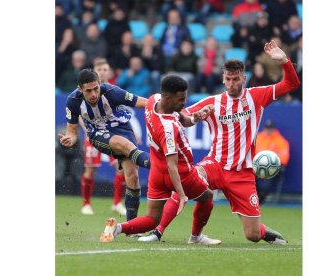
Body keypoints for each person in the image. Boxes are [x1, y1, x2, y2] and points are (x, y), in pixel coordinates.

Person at [138, 40, 300, 244]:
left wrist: (284, 60)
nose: (231, 84)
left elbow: (292, 84)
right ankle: (159, 232)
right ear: (223, 79)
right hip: (214, 165)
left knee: (252, 235)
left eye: (235, 79)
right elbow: (182, 117)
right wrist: (195, 117)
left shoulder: (257, 97)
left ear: (244, 78)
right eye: (228, 79)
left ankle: (263, 232)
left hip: (242, 174)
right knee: (188, 181)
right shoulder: (213, 102)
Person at [99, 75, 221, 245]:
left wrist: (195, 118)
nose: (184, 103)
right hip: (182, 173)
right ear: (168, 98)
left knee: (152, 218)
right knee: (207, 197)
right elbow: (173, 165)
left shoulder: (153, 100)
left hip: (156, 172)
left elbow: (179, 116)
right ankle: (196, 237)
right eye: (181, 99)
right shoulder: (167, 128)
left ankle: (117, 228)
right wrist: (181, 194)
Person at [59, 69, 150, 221]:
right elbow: (72, 132)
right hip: (97, 133)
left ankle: (131, 225)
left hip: (123, 128)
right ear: (80, 89)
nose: (94, 94)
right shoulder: (73, 101)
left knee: (133, 176)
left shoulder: (112, 92)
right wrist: (70, 139)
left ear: (100, 84)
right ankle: (160, 166)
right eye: (88, 91)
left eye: (96, 88)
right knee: (123, 144)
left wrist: (162, 106)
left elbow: (142, 102)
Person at [79, 59, 131, 216]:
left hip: (112, 134)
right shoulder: (87, 90)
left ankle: (117, 203)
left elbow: (121, 113)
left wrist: (131, 130)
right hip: (93, 134)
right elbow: (78, 113)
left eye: (105, 69)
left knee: (120, 166)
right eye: (99, 69)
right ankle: (86, 204)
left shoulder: (113, 90)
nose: (102, 71)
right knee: (91, 170)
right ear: (94, 72)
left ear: (109, 72)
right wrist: (86, 130)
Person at [255, 120, 290, 203]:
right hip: (257, 164)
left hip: (272, 165)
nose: (268, 130)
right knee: (247, 176)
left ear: (274, 129)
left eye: (270, 128)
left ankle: (259, 200)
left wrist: (271, 162)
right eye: (267, 128)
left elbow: (284, 158)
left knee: (268, 180)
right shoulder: (258, 138)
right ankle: (252, 198)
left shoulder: (281, 141)